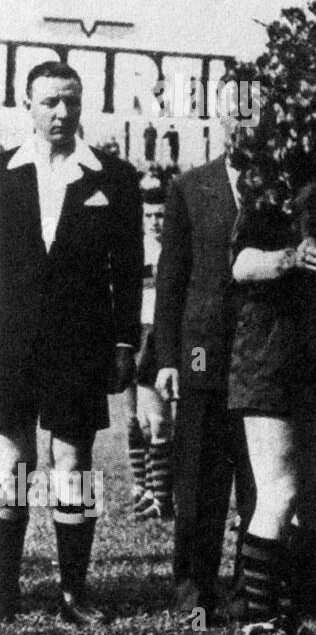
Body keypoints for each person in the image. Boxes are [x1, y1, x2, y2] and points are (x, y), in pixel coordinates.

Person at [0, 61, 142, 625]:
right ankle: (4, 593)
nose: (61, 113)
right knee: (11, 461)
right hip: (9, 340)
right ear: (26, 104)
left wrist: (126, 343)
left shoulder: (113, 176)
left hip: (82, 342)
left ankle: (73, 593)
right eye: (50, 102)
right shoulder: (3, 173)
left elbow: (129, 269)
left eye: (71, 102)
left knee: (74, 463)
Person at [226, 144, 316, 635]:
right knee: (278, 493)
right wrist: (290, 257)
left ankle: (286, 616)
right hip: (271, 354)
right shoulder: (270, 189)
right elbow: (239, 263)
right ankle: (257, 626)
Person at [154, 122, 257, 619]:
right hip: (202, 353)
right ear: (220, 122)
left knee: (260, 478)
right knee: (198, 479)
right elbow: (171, 278)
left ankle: (249, 590)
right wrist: (168, 359)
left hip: (262, 352)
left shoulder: (281, 185)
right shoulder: (190, 186)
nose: (244, 129)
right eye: (234, 118)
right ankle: (193, 585)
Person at [127, 182, 174, 521]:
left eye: (161, 214)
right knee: (138, 420)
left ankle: (163, 498)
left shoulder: (175, 248)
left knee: (160, 421)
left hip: (166, 335)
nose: (156, 221)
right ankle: (144, 488)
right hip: (136, 334)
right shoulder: (134, 249)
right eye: (149, 215)